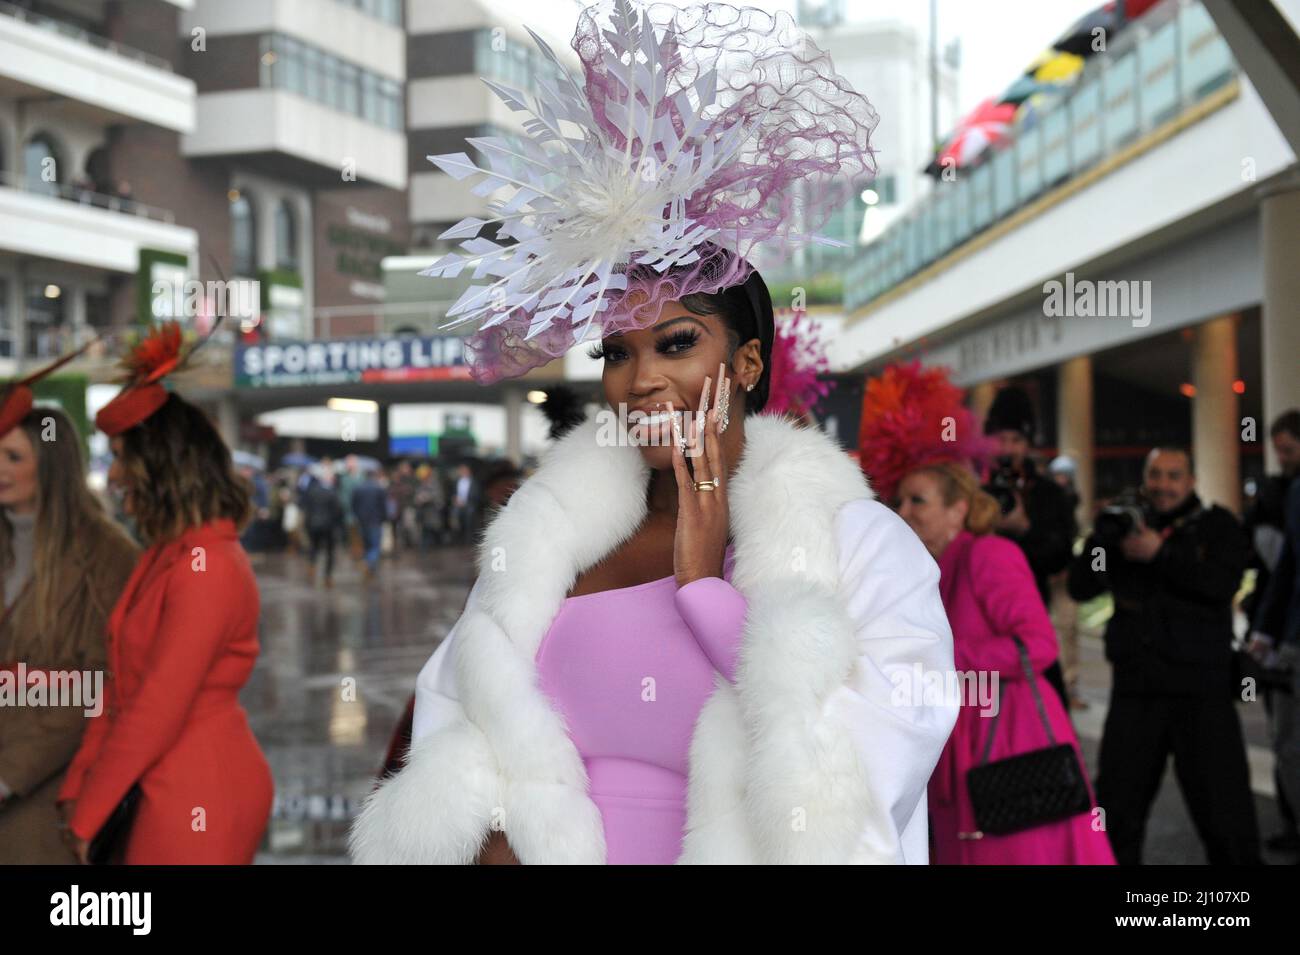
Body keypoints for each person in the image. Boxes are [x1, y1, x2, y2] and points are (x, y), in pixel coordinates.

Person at [351, 0, 956, 864]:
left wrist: (708, 588)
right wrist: (488, 830)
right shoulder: (548, 535)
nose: (641, 381)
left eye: (678, 344)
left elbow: (854, 779)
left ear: (747, 363)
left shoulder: (858, 548)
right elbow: (457, 717)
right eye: (617, 352)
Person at [57, 323, 273, 864]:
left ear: (160, 467)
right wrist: (79, 788)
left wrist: (89, 813)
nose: (116, 479)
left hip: (198, 792)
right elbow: (120, 690)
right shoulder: (167, 555)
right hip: (163, 782)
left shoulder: (205, 567)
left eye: (124, 459)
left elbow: (156, 708)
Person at [897, 462, 1114, 864]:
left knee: (1017, 850)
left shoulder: (989, 553)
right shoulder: (930, 568)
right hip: (965, 735)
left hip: (1010, 734)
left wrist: (942, 657)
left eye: (917, 501)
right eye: (901, 501)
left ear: (957, 510)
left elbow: (1038, 645)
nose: (903, 511)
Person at [1068, 446, 1260, 865]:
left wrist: (1162, 555)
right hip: (1136, 690)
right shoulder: (1124, 528)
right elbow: (1081, 588)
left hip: (1201, 693)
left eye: (1174, 476)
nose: (1163, 485)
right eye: (1156, 475)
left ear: (1191, 481)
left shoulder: (1217, 526)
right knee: (1117, 809)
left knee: (1225, 813)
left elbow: (1221, 584)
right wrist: (1102, 538)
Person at [0, 399, 137, 863]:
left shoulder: (107, 555)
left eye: (13, 457)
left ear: (51, 465)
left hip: (52, 793)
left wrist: (8, 774)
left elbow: (100, 685)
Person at [983, 386, 1076, 709]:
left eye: (1017, 441)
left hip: (1029, 617)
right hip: (976, 623)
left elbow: (1061, 556)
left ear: (1028, 444)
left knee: (1045, 710)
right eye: (1001, 440)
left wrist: (1025, 530)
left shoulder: (1049, 493)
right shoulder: (970, 488)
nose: (1008, 449)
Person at [1248, 409, 1300, 856]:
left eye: (1288, 449)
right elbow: (1283, 571)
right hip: (1288, 639)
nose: (1282, 458)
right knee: (1287, 740)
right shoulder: (1282, 492)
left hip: (1288, 634)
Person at [302, 465, 343, 588]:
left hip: (313, 525)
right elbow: (338, 510)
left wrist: (307, 523)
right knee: (329, 552)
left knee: (314, 548)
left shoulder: (311, 491)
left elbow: (306, 508)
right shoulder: (332, 492)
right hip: (328, 526)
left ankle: (312, 568)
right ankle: (328, 576)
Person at [350, 466, 388, 580]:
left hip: (362, 521)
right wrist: (384, 518)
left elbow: (353, 505)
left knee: (366, 544)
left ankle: (368, 563)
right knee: (375, 545)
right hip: (375, 521)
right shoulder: (379, 488)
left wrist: (357, 516)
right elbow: (383, 506)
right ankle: (370, 564)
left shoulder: (358, 488)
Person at [450, 462, 479, 547]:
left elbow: (476, 495)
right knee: (455, 519)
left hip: (469, 504)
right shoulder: (456, 482)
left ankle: (468, 540)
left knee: (469, 518)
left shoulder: (474, 482)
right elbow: (453, 493)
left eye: (464, 470)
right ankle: (457, 539)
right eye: (461, 470)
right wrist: (455, 499)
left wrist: (465, 501)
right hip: (458, 505)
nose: (462, 472)